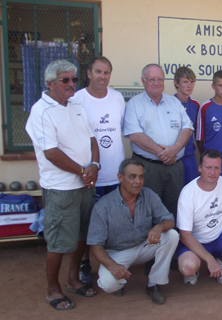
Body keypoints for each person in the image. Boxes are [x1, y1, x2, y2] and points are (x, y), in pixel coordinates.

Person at [25, 60, 99, 310]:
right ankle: (52, 289)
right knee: (58, 241)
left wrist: (95, 166)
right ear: (49, 83)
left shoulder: (76, 104)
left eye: (74, 79)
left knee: (81, 236)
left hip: (84, 185)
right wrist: (81, 171)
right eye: (65, 80)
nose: (71, 84)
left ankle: (73, 279)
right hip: (60, 189)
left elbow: (92, 139)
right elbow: (51, 152)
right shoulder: (41, 111)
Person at [86, 159, 179, 304]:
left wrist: (159, 227)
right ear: (120, 177)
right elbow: (95, 245)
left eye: (141, 177)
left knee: (172, 235)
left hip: (144, 246)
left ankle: (154, 284)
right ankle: (118, 281)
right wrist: (112, 266)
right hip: (117, 253)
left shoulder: (149, 195)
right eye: (132, 176)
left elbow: (169, 220)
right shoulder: (103, 206)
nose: (137, 181)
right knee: (109, 284)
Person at [74, 56, 125, 285]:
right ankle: (85, 264)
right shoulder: (77, 100)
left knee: (115, 222)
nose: (102, 77)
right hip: (90, 174)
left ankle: (115, 261)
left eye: (106, 73)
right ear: (88, 73)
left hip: (115, 174)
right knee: (87, 223)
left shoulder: (117, 98)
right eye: (98, 72)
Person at [124, 63, 194, 216]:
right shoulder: (134, 104)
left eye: (160, 79)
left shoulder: (174, 102)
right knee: (147, 209)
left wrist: (174, 149)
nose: (156, 83)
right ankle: (149, 240)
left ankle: (172, 239)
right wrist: (164, 154)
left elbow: (188, 128)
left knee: (174, 209)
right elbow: (135, 135)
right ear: (143, 81)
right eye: (152, 79)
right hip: (148, 168)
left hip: (174, 167)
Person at [177, 150, 222, 286]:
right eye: (208, 167)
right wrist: (209, 259)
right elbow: (185, 236)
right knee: (188, 268)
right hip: (195, 240)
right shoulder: (188, 193)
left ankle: (221, 263)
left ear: (221, 169)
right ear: (200, 168)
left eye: (216, 168)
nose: (212, 172)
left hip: (218, 237)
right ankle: (200, 265)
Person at [174, 67, 200, 186]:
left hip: (190, 158)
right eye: (185, 82)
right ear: (176, 83)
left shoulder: (195, 105)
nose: (189, 85)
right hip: (173, 159)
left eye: (192, 82)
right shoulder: (169, 103)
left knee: (191, 194)